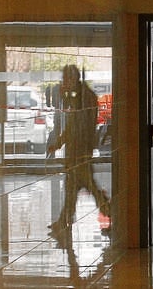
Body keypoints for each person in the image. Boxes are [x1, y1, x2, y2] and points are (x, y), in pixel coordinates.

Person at [47, 65, 110, 233]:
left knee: (83, 186)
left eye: (65, 79)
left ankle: (109, 213)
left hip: (80, 151)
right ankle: (64, 220)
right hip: (78, 149)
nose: (63, 82)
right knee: (74, 187)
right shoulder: (80, 95)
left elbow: (75, 125)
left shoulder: (84, 97)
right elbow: (73, 123)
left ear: (73, 78)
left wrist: (61, 142)